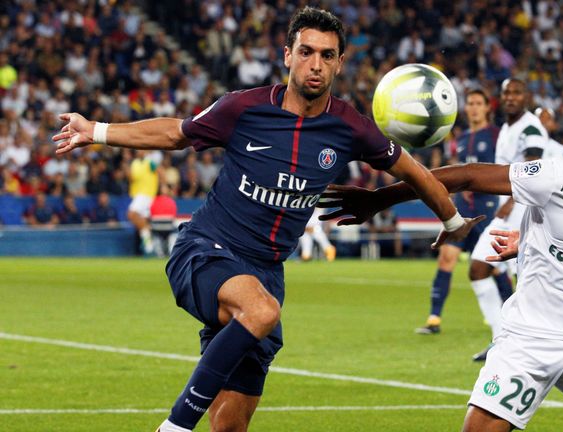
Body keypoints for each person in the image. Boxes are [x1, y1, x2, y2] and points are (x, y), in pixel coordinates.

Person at [54, 7, 479, 432]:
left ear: (340, 63)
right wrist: (96, 130)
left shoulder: (351, 128)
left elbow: (415, 173)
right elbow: (175, 134)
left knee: (231, 425)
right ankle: (175, 426)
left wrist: (454, 219)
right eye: (307, 52)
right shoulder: (244, 108)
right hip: (206, 249)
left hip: (266, 271)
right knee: (260, 312)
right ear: (287, 55)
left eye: (327, 56)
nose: (316, 64)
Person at [320, 113, 563, 432]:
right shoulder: (557, 178)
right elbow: (466, 175)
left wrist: (528, 241)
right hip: (528, 341)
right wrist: (379, 198)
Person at [465, 78, 548, 361]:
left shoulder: (530, 127)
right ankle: (501, 338)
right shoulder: (506, 129)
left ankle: (530, 343)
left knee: (525, 281)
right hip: (507, 213)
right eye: (507, 93)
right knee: (478, 268)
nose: (511, 97)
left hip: (524, 213)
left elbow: (533, 170)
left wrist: (512, 200)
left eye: (517, 93)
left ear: (526, 97)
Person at [415, 88, 502, 335]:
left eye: (478, 103)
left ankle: (510, 318)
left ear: (487, 108)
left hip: (489, 210)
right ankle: (434, 318)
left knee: (493, 267)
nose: (473, 107)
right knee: (446, 258)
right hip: (462, 211)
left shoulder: (496, 136)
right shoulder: (460, 139)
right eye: (470, 103)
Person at [128, 149, 163, 255]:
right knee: (141, 220)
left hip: (146, 194)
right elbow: (132, 178)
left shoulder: (149, 161)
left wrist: (163, 186)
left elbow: (160, 172)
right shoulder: (135, 163)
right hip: (137, 194)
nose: (139, 151)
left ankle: (149, 235)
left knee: (131, 214)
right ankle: (149, 241)